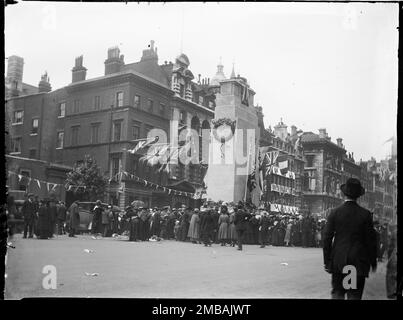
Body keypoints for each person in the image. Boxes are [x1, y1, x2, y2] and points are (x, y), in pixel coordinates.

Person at [323, 178, 377, 300]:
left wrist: (327, 261)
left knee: (338, 293)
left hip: (339, 261)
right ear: (358, 196)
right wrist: (372, 261)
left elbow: (326, 238)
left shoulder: (335, 212)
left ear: (344, 193)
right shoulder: (365, 214)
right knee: (354, 294)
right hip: (358, 261)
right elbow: (371, 240)